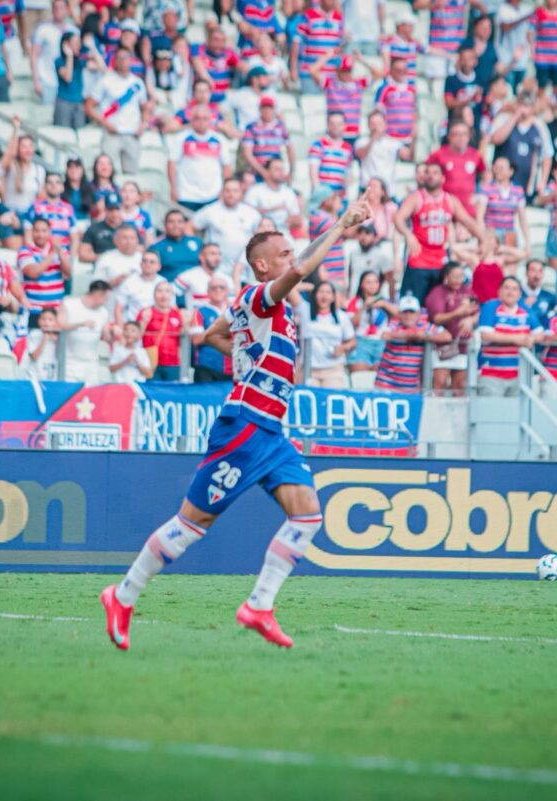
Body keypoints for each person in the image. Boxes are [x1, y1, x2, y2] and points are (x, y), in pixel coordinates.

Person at [99, 184, 378, 652]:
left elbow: (212, 334)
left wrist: (243, 352)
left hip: (271, 432)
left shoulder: (264, 307)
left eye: (292, 251)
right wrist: (343, 223)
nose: (293, 259)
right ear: (264, 266)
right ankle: (122, 595)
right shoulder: (261, 296)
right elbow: (305, 268)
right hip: (244, 425)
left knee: (307, 514)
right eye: (284, 254)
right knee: (192, 524)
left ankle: (259, 606)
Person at [394, 162, 485, 304]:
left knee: (436, 306)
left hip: (440, 262)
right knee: (412, 304)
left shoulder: (450, 200)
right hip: (418, 260)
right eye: (428, 173)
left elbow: (468, 221)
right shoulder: (416, 198)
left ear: (443, 178)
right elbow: (399, 218)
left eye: (435, 173)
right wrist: (408, 234)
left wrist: (483, 239)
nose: (430, 176)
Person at [374, 294, 452, 393]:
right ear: (399, 314)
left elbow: (447, 336)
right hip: (386, 383)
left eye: (412, 312)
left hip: (411, 386)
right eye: (405, 312)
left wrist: (426, 337)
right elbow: (385, 335)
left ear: (418, 313)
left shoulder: (424, 326)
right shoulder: (394, 323)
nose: (408, 316)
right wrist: (413, 336)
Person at [477, 276, 540, 396]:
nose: (510, 292)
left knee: (516, 413)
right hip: (492, 375)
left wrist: (531, 338)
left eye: (514, 289)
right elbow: (486, 335)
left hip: (519, 375)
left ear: (520, 294)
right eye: (507, 288)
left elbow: (540, 334)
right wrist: (517, 339)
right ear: (499, 291)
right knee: (491, 413)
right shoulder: (490, 307)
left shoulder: (525, 309)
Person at [424, 263, 480, 395]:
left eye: (461, 276)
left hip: (463, 345)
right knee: (440, 382)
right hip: (443, 347)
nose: (459, 280)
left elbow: (477, 311)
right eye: (455, 276)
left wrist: (470, 320)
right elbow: (437, 318)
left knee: (460, 385)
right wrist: (458, 313)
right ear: (446, 276)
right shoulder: (437, 293)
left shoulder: (467, 291)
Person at [297, 281, 355, 388]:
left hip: (333, 369)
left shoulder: (342, 316)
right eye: (320, 292)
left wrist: (343, 347)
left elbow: (352, 341)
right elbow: (290, 289)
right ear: (314, 295)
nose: (324, 296)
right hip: (308, 369)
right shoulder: (305, 310)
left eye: (328, 292)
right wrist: (311, 286)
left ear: (333, 297)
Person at [58, 279, 114, 384]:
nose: (106, 302)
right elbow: (60, 325)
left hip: (91, 363)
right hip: (69, 361)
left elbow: (107, 337)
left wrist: (113, 332)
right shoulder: (69, 304)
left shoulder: (103, 312)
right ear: (98, 295)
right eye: (106, 298)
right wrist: (80, 324)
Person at [137, 281, 185, 381]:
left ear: (172, 295)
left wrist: (187, 322)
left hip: (172, 362)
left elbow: (184, 336)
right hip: (151, 361)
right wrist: (144, 321)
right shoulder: (146, 312)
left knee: (172, 393)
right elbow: (136, 335)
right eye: (160, 291)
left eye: (167, 291)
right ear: (154, 295)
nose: (163, 295)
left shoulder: (178, 314)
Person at [189, 275, 233, 382]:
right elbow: (196, 340)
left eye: (221, 287)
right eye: (214, 288)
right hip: (206, 367)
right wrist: (220, 330)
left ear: (227, 291)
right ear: (208, 292)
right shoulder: (199, 312)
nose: (218, 290)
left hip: (233, 368)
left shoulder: (235, 310)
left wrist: (212, 334)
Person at [150, 209, 203, 281]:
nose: (176, 225)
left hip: (196, 286)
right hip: (169, 287)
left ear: (185, 223)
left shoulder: (197, 242)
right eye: (171, 222)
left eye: (179, 221)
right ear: (164, 224)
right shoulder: (156, 247)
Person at [109, 319, 155, 383]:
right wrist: (126, 361)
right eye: (126, 330)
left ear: (139, 334)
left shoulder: (142, 352)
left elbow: (149, 374)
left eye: (133, 331)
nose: (129, 333)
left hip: (137, 386)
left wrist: (137, 363)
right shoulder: (118, 350)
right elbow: (111, 369)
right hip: (121, 385)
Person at [24, 306, 61, 381]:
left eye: (50, 320)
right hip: (35, 375)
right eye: (43, 319)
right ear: (38, 321)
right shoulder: (34, 334)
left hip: (53, 374)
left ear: (56, 321)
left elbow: (61, 356)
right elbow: (33, 356)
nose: (46, 322)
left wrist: (55, 339)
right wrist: (45, 338)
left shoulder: (60, 336)